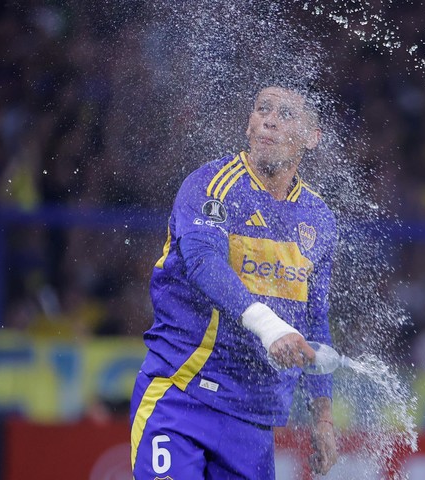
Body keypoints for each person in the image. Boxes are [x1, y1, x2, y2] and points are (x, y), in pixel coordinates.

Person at [130, 85, 339, 479]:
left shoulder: (319, 218)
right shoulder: (211, 184)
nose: (270, 120)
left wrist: (323, 418)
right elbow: (204, 262)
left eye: (286, 114)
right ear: (249, 124)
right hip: (180, 397)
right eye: (263, 109)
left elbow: (316, 323)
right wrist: (270, 327)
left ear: (312, 137)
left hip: (252, 420)